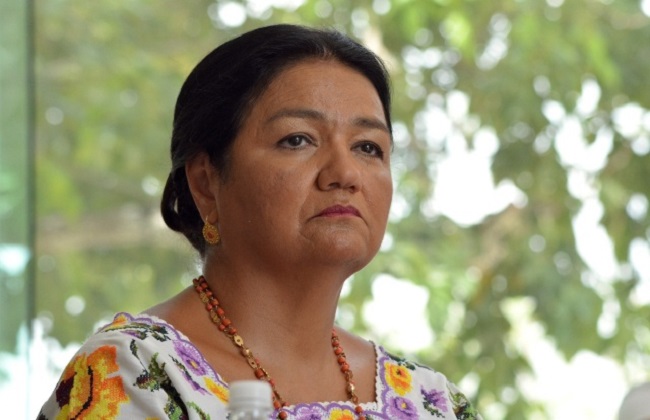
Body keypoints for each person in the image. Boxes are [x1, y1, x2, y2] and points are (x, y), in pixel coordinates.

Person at [38, 24, 481, 419]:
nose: (345, 174)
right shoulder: (134, 374)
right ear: (206, 183)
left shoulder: (431, 401)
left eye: (368, 147)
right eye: (298, 139)